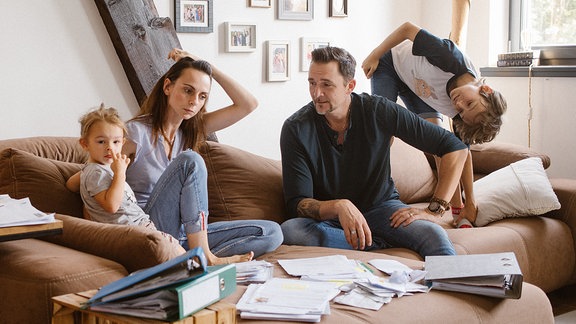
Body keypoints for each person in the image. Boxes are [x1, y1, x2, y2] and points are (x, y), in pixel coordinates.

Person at [68, 49, 283, 265]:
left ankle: (189, 257)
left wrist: (206, 66)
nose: (193, 102)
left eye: (202, 96)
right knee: (191, 161)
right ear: (168, 86)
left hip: (182, 231)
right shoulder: (135, 133)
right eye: (188, 90)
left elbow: (248, 104)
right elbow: (92, 175)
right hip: (146, 227)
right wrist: (94, 222)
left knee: (272, 232)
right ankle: (204, 256)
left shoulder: (191, 130)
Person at [280, 46, 468, 258]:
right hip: (331, 221)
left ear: (349, 86)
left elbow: (455, 147)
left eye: (326, 85)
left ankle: (452, 283)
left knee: (433, 233)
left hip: (384, 211)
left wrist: (435, 210)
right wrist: (339, 206)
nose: (317, 93)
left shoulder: (379, 110)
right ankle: (377, 244)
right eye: (312, 83)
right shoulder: (295, 128)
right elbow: (297, 204)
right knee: (291, 231)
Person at [362, 21, 507, 228]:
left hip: (417, 87)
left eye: (461, 111)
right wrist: (375, 54)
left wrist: (471, 201)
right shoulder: (449, 58)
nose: (458, 104)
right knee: (383, 134)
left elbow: (461, 152)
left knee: (442, 142)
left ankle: (458, 209)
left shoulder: (464, 112)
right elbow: (406, 29)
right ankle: (371, 198)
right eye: (468, 103)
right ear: (486, 89)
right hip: (390, 65)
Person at [74, 105, 186, 255]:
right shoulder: (96, 172)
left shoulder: (98, 170)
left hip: (140, 227)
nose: (110, 148)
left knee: (182, 256)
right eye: (101, 142)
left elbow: (71, 185)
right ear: (85, 144)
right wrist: (120, 173)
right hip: (132, 232)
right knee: (183, 258)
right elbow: (112, 205)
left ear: (123, 142)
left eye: (116, 142)